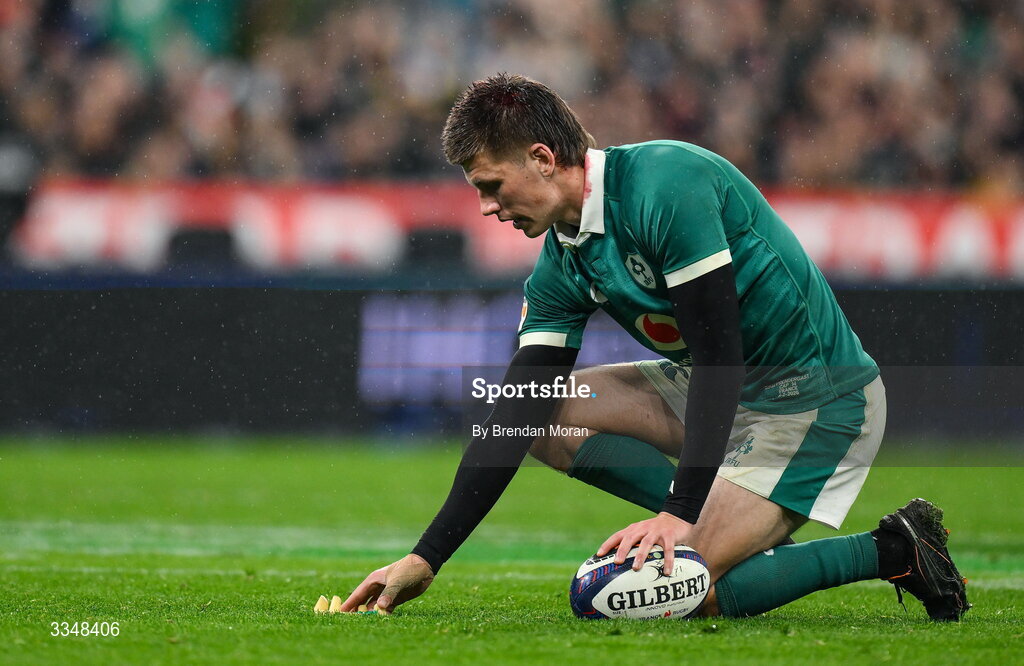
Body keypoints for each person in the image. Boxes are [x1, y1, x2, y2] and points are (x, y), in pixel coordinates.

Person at [340, 74, 969, 621]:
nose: (484, 207)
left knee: (660, 593)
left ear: (542, 158)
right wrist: (428, 555)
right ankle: (719, 522)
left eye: (491, 185)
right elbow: (519, 406)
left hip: (814, 399)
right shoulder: (560, 258)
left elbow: (722, 353)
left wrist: (678, 510)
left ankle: (894, 549)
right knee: (536, 411)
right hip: (718, 394)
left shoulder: (667, 184)